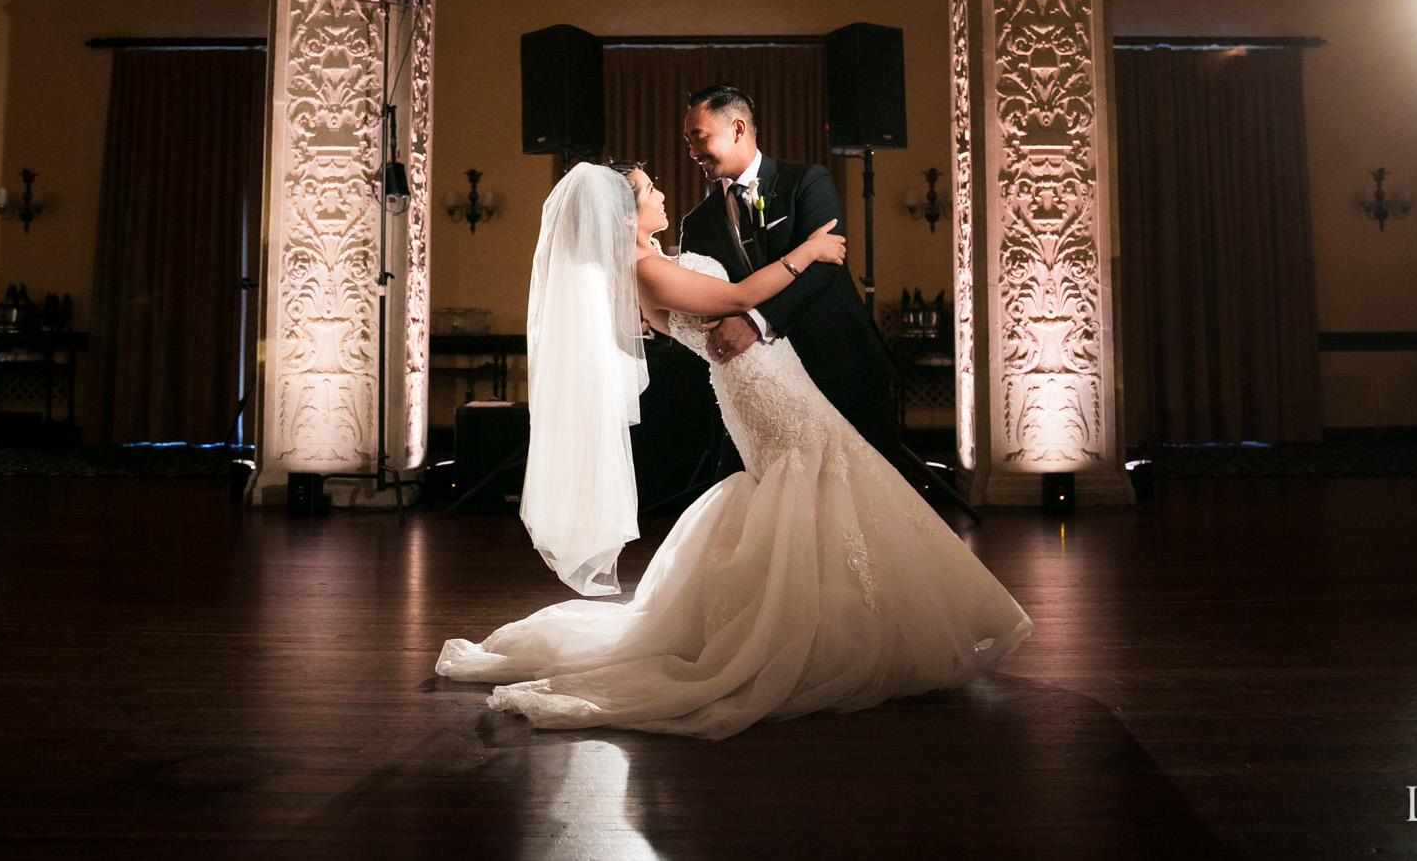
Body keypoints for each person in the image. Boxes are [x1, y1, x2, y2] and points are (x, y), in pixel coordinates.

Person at [436, 162, 1030, 741]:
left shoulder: (650, 265)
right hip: (761, 386)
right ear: (624, 216)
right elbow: (741, 294)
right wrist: (809, 254)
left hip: (763, 378)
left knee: (823, 484)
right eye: (649, 190)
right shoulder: (646, 270)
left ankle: (844, 623)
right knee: (813, 480)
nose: (663, 193)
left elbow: (720, 309)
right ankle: (825, 636)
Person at [677, 84, 898, 461]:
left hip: (842, 363)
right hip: (769, 388)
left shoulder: (807, 181)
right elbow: (700, 294)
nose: (694, 152)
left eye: (700, 138)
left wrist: (756, 321)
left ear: (738, 130)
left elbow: (827, 267)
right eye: (688, 142)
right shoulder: (697, 224)